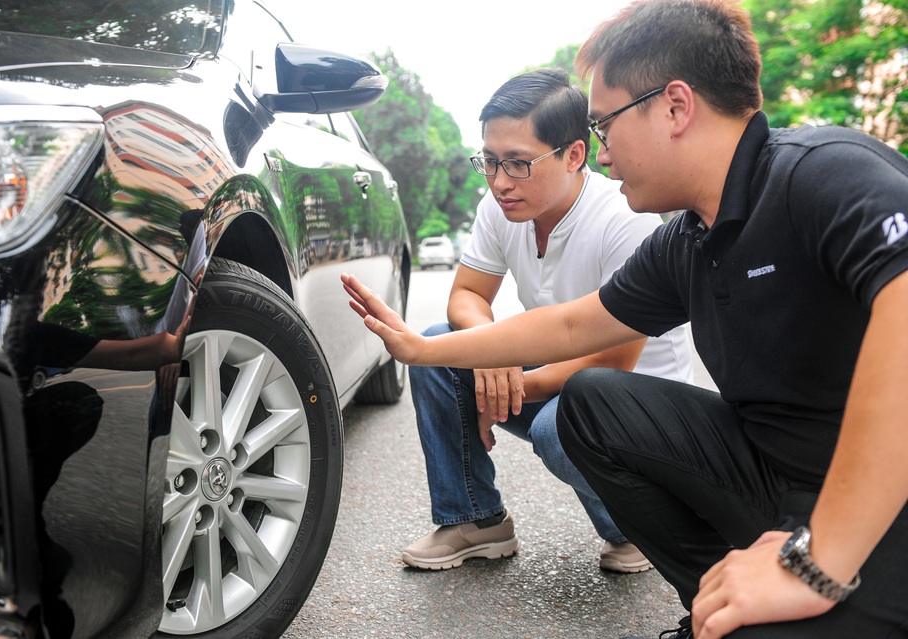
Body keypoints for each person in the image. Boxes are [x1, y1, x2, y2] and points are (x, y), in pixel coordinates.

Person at [341, 0, 908, 637]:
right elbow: (570, 328)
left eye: (606, 127)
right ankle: (718, 609)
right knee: (592, 402)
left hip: (877, 494)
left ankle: (794, 586)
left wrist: (818, 562)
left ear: (674, 106)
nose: (604, 155)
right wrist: (421, 349)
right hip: (772, 475)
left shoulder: (820, 172)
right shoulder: (688, 237)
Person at [402, 68, 694, 574]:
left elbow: (609, 360)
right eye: (489, 162)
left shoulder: (625, 221)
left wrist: (504, 380)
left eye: (516, 164)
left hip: (636, 403)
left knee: (558, 426)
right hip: (556, 375)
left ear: (574, 154)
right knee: (438, 349)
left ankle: (644, 528)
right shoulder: (501, 207)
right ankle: (475, 520)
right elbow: (468, 294)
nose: (498, 182)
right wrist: (488, 348)